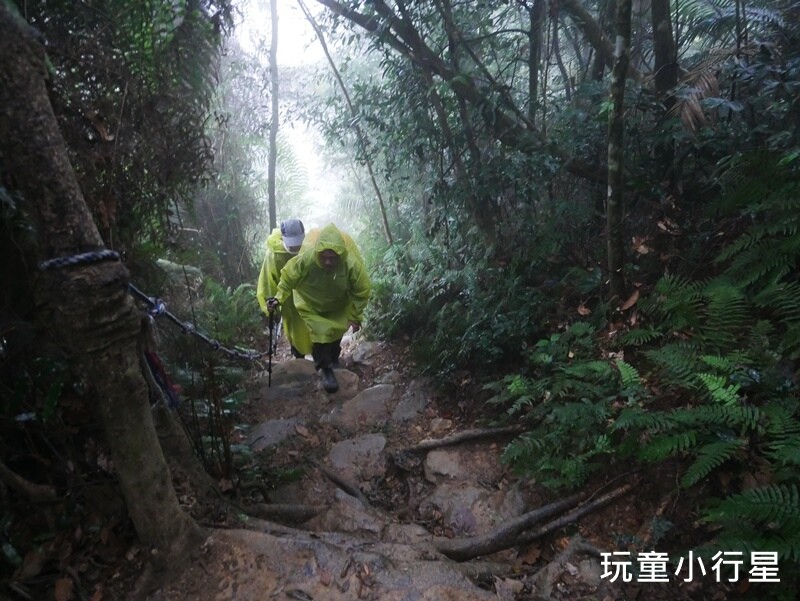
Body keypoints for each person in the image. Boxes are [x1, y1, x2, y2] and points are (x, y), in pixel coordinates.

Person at [267, 223, 371, 393]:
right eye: (324, 257)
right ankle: (325, 368)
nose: (328, 262)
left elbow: (362, 291)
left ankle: (334, 358)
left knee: (336, 333)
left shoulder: (350, 265)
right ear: (318, 254)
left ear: (340, 255)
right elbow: (287, 279)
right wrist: (278, 299)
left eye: (332, 258)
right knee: (320, 334)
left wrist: (355, 316)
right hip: (311, 304)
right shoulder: (306, 259)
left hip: (339, 306)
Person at [256, 218, 311, 359]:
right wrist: (270, 303)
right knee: (296, 330)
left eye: (298, 245)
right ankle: (299, 358)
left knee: (313, 326)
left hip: (309, 295)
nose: (295, 249)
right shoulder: (274, 254)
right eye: (292, 246)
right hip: (288, 299)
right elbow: (268, 281)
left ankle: (320, 360)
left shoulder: (309, 248)